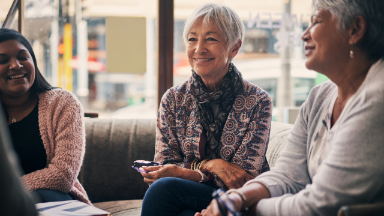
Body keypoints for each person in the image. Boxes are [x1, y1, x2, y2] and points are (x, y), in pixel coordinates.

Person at [196, 0, 384, 215]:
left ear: (355, 29)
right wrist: (238, 197)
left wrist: (242, 209)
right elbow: (288, 175)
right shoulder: (319, 97)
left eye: (316, 22)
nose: (305, 35)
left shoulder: (377, 101)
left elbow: (319, 205)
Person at [140, 3, 272, 216]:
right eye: (192, 39)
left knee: (163, 191)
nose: (199, 48)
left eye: (211, 39)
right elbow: (167, 168)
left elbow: (241, 178)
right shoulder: (173, 99)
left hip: (238, 199)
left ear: (234, 47)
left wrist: (192, 169)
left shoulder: (257, 101)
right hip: (187, 193)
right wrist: (214, 166)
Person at [0, 28, 90, 204]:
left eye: (23, 57)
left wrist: (9, 189)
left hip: (53, 200)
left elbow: (62, 176)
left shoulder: (62, 103)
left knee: (40, 197)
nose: (16, 65)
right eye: (3, 60)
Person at [0, 102, 37, 216]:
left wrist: (16, 186)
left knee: (43, 195)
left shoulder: (61, 102)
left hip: (53, 194)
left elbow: (63, 175)